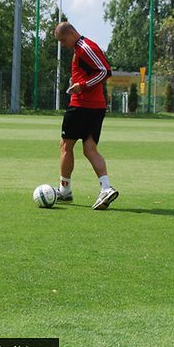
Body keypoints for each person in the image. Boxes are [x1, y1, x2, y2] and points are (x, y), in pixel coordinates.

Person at [53, 22, 119, 210]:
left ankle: (64, 191)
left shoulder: (84, 47)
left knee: (66, 145)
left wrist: (81, 86)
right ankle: (106, 188)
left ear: (72, 33)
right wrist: (78, 80)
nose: (63, 45)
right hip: (96, 107)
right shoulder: (82, 48)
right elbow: (93, 72)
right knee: (89, 148)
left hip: (82, 105)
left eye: (63, 40)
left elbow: (105, 71)